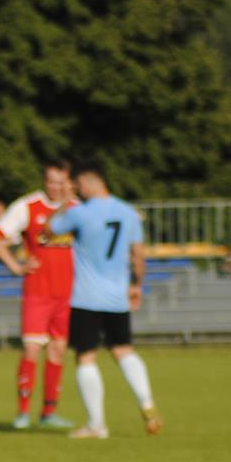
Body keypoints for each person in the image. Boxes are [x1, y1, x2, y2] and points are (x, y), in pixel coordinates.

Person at [47, 163, 162, 439]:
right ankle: (146, 403)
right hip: (117, 296)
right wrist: (136, 285)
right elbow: (138, 255)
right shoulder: (127, 212)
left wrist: (64, 203)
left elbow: (50, 229)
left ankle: (97, 424)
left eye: (77, 185)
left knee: (86, 357)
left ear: (86, 182)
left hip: (87, 297)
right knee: (123, 350)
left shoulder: (80, 213)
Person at [0, 161, 77, 431]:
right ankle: (23, 412)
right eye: (51, 181)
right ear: (44, 181)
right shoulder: (27, 206)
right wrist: (15, 266)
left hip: (68, 294)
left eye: (61, 182)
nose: (56, 187)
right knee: (32, 349)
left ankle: (49, 413)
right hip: (38, 293)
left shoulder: (78, 209)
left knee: (58, 350)